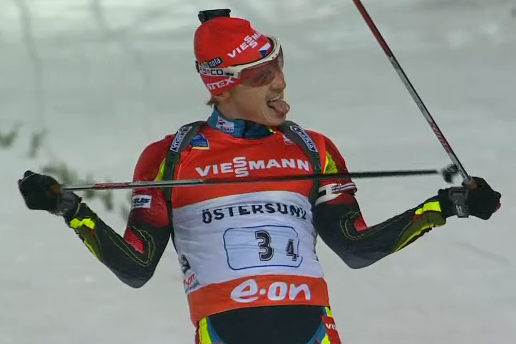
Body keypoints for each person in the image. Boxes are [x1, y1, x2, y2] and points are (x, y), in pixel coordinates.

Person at [18, 9, 501, 344]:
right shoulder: (171, 157)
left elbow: (356, 247)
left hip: (312, 329)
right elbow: (136, 265)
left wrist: (445, 206)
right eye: (259, 74)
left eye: (278, 63)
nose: (279, 81)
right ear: (222, 87)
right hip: (227, 332)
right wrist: (70, 210)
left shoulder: (312, 148)